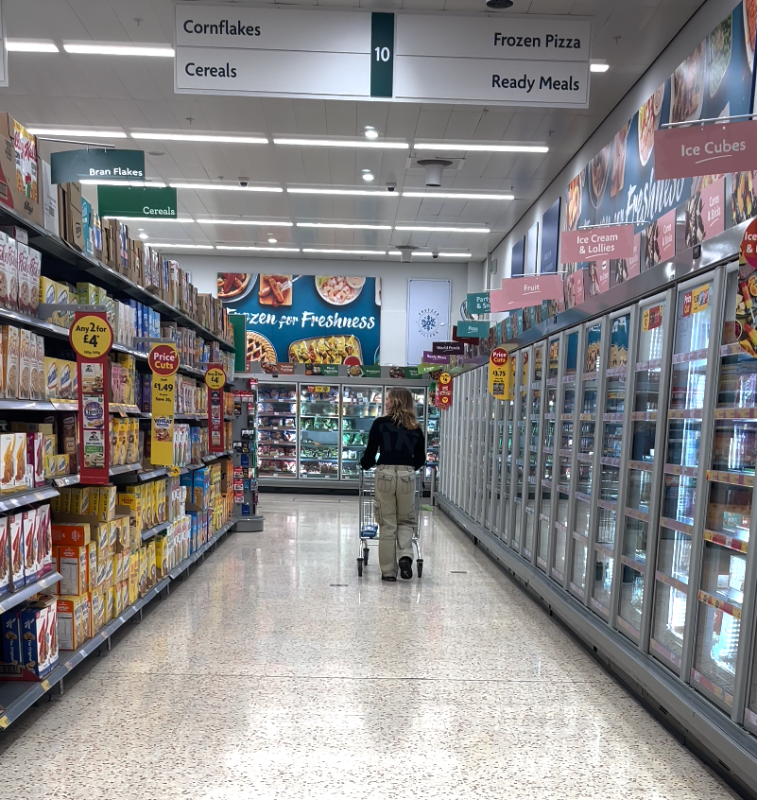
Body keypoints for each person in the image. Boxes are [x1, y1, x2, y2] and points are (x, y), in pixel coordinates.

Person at [360, 387, 426, 581]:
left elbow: (370, 455)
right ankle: (405, 557)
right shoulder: (416, 427)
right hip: (407, 474)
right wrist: (407, 468)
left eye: (387, 399)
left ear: (394, 401)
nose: (385, 402)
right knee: (405, 520)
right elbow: (420, 458)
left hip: (385, 474)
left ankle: (388, 571)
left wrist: (365, 464)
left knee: (387, 523)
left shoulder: (380, 423)